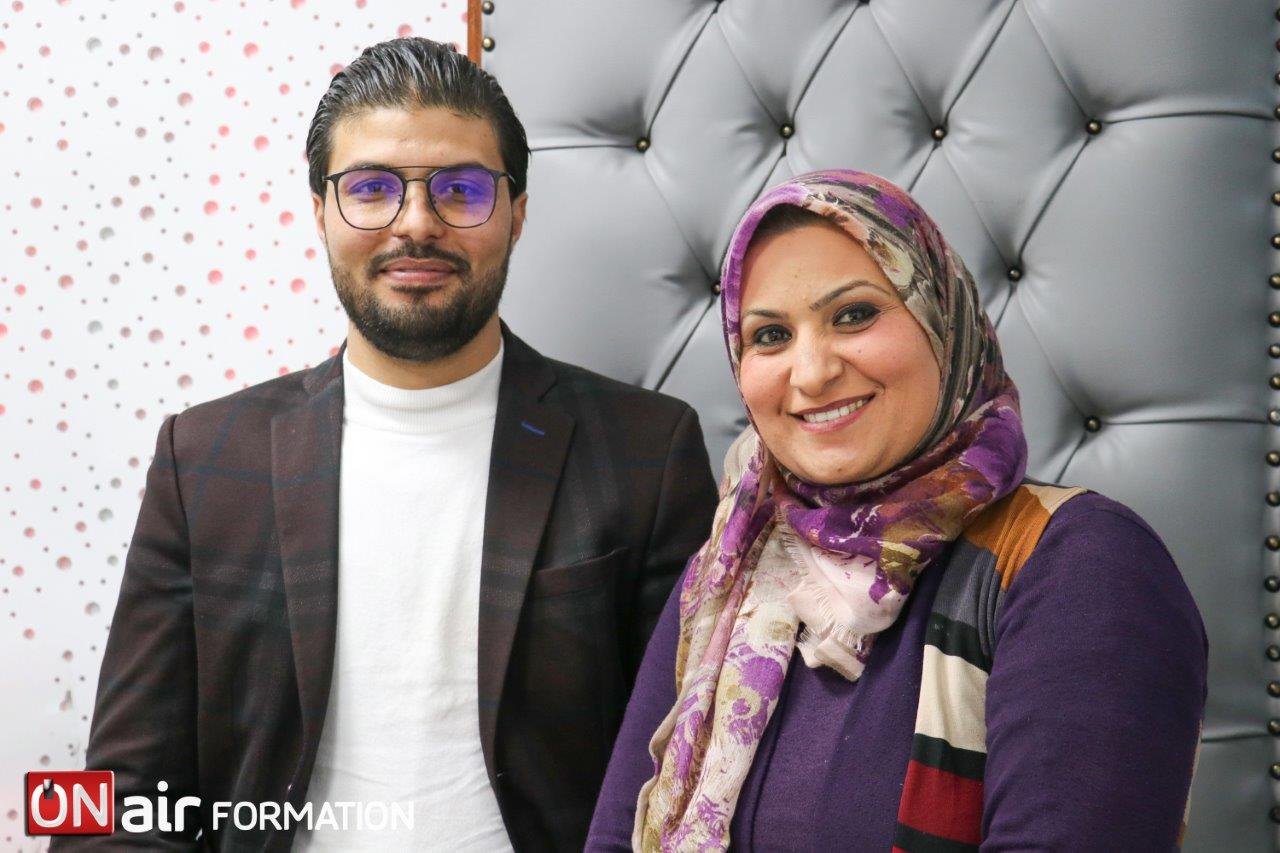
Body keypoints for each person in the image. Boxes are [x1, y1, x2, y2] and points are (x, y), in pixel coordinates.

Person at [57, 38, 717, 851]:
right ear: (321, 213)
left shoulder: (647, 451)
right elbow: (111, 798)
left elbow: (695, 777)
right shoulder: (203, 459)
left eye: (461, 189)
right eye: (371, 188)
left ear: (516, 214)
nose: (416, 224)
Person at [587, 170, 1207, 851]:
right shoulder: (725, 574)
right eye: (770, 335)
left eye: (853, 315)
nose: (812, 372)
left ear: (943, 320)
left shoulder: (1079, 564)